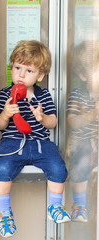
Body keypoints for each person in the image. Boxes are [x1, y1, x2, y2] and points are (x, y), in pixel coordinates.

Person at [0, 40, 71, 238]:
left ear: (40, 75)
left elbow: (53, 122)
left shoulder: (43, 95)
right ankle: (4, 213)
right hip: (12, 142)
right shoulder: (5, 94)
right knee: (1, 169)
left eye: (28, 71)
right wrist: (6, 114)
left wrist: (41, 117)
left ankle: (55, 206)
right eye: (17, 68)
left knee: (58, 167)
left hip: (39, 143)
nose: (20, 74)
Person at [67, 41, 99, 223]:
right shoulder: (78, 95)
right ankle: (79, 205)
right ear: (82, 75)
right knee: (82, 159)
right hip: (83, 144)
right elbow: (72, 122)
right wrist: (92, 114)